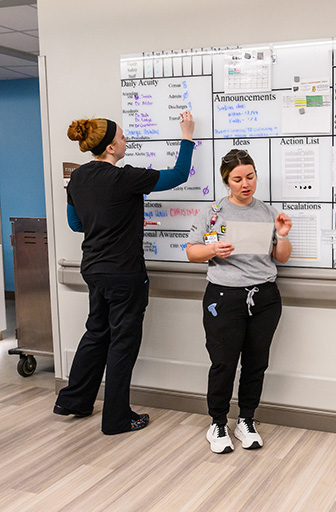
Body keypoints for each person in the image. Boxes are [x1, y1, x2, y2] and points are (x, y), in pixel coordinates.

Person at [54, 111, 196, 435]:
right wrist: (187, 135)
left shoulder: (77, 178)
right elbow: (178, 174)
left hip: (93, 271)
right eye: (121, 136)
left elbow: (76, 224)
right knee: (122, 344)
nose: (126, 139)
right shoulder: (126, 178)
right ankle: (117, 418)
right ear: (110, 148)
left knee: (96, 333)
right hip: (125, 275)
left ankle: (73, 400)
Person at [186, 148, 292, 454]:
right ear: (226, 181)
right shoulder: (213, 213)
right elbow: (192, 252)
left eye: (250, 177)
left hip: (265, 297)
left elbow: (280, 257)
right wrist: (213, 250)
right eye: (237, 179)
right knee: (223, 363)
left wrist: (282, 235)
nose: (245, 184)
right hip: (224, 297)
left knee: (256, 363)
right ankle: (217, 422)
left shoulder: (269, 213)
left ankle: (246, 419)